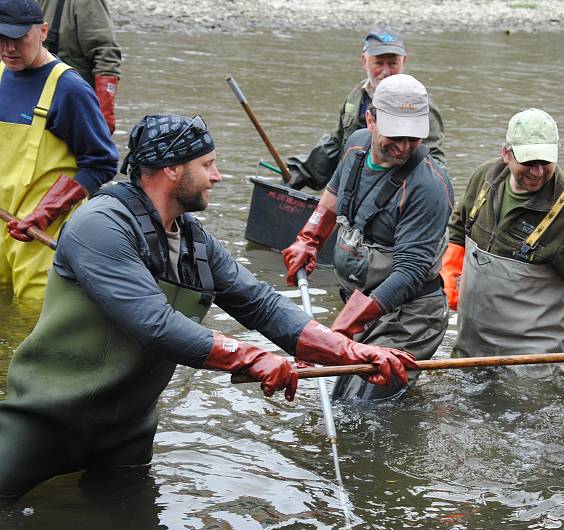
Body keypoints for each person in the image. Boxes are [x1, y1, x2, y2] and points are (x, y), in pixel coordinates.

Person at [0, 114, 416, 499]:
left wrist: (354, 351)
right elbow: (153, 323)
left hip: (128, 429)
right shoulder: (100, 224)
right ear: (172, 169)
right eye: (208, 165)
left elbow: (263, 305)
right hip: (47, 419)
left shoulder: (194, 239)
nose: (216, 177)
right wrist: (250, 358)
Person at [283, 74, 453, 401]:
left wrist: (337, 331)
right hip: (364, 303)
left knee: (359, 410)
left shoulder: (429, 187)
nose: (403, 147)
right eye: (395, 136)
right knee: (340, 398)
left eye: (413, 138)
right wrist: (308, 238)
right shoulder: (357, 144)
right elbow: (333, 193)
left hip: (409, 316)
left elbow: (410, 273)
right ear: (370, 119)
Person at [441, 108, 564, 379]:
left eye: (546, 161)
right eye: (529, 161)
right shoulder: (485, 178)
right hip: (469, 349)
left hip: (529, 366)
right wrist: (449, 272)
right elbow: (460, 226)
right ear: (506, 154)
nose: (538, 171)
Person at [0, 0, 117, 300]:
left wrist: (44, 214)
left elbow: (101, 163)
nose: (8, 48)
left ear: (42, 31)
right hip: (2, 219)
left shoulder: (70, 89)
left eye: (18, 38)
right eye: (1, 38)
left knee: (32, 315)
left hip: (41, 233)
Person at [285, 28, 446, 191]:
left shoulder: (419, 104)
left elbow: (434, 159)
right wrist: (303, 173)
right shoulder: (356, 96)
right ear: (364, 61)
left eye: (392, 63)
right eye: (378, 63)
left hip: (392, 194)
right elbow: (336, 142)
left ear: (403, 61)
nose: (386, 72)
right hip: (352, 190)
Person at [38, 0, 121, 133]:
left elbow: (106, 55)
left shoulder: (87, 3)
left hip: (73, 104)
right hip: (36, 97)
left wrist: (103, 120)